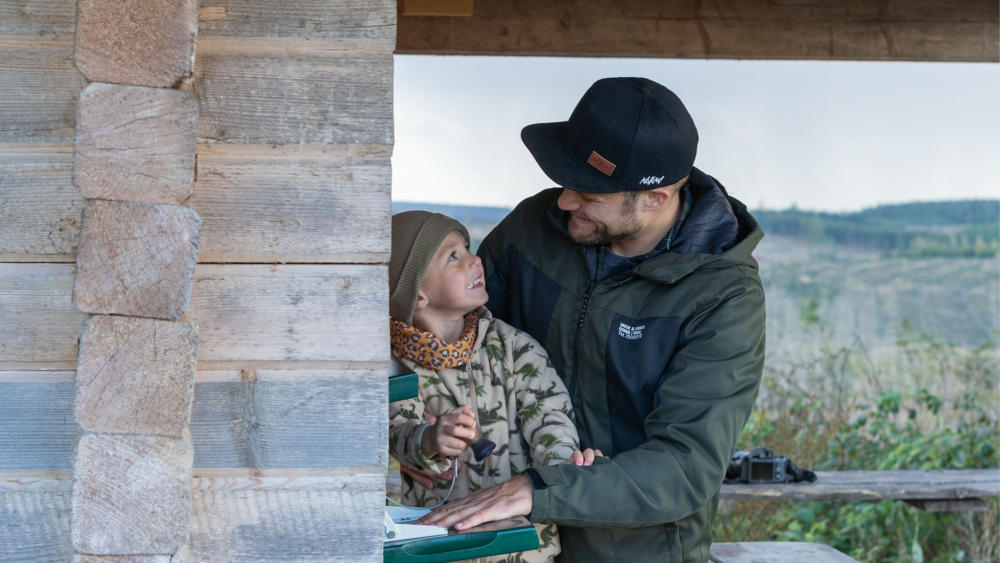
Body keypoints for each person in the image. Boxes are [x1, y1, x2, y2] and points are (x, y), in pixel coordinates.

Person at [410, 77, 767, 563]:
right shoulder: (532, 227)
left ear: (656, 198)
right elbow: (453, 336)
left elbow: (686, 466)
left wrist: (539, 489)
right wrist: (424, 427)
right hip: (512, 541)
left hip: (633, 551)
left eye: (589, 193)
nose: (564, 202)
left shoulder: (724, 294)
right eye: (567, 182)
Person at [387, 210, 603, 563]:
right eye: (452, 256)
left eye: (469, 249)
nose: (475, 260)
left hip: (526, 549)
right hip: (440, 549)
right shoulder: (396, 366)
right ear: (418, 294)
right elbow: (395, 432)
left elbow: (550, 416)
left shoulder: (514, 347)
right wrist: (428, 439)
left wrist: (565, 463)